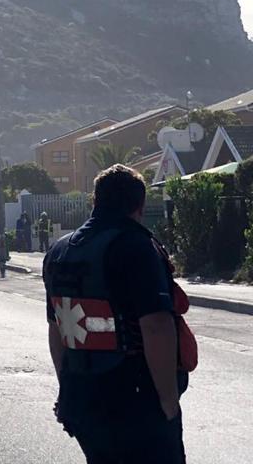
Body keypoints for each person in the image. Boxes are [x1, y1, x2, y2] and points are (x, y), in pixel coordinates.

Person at [43, 164, 190, 464]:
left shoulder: (59, 252)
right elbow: (157, 327)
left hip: (82, 400)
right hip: (134, 400)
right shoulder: (135, 247)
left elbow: (57, 328)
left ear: (95, 202)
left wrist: (68, 388)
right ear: (139, 205)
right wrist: (168, 401)